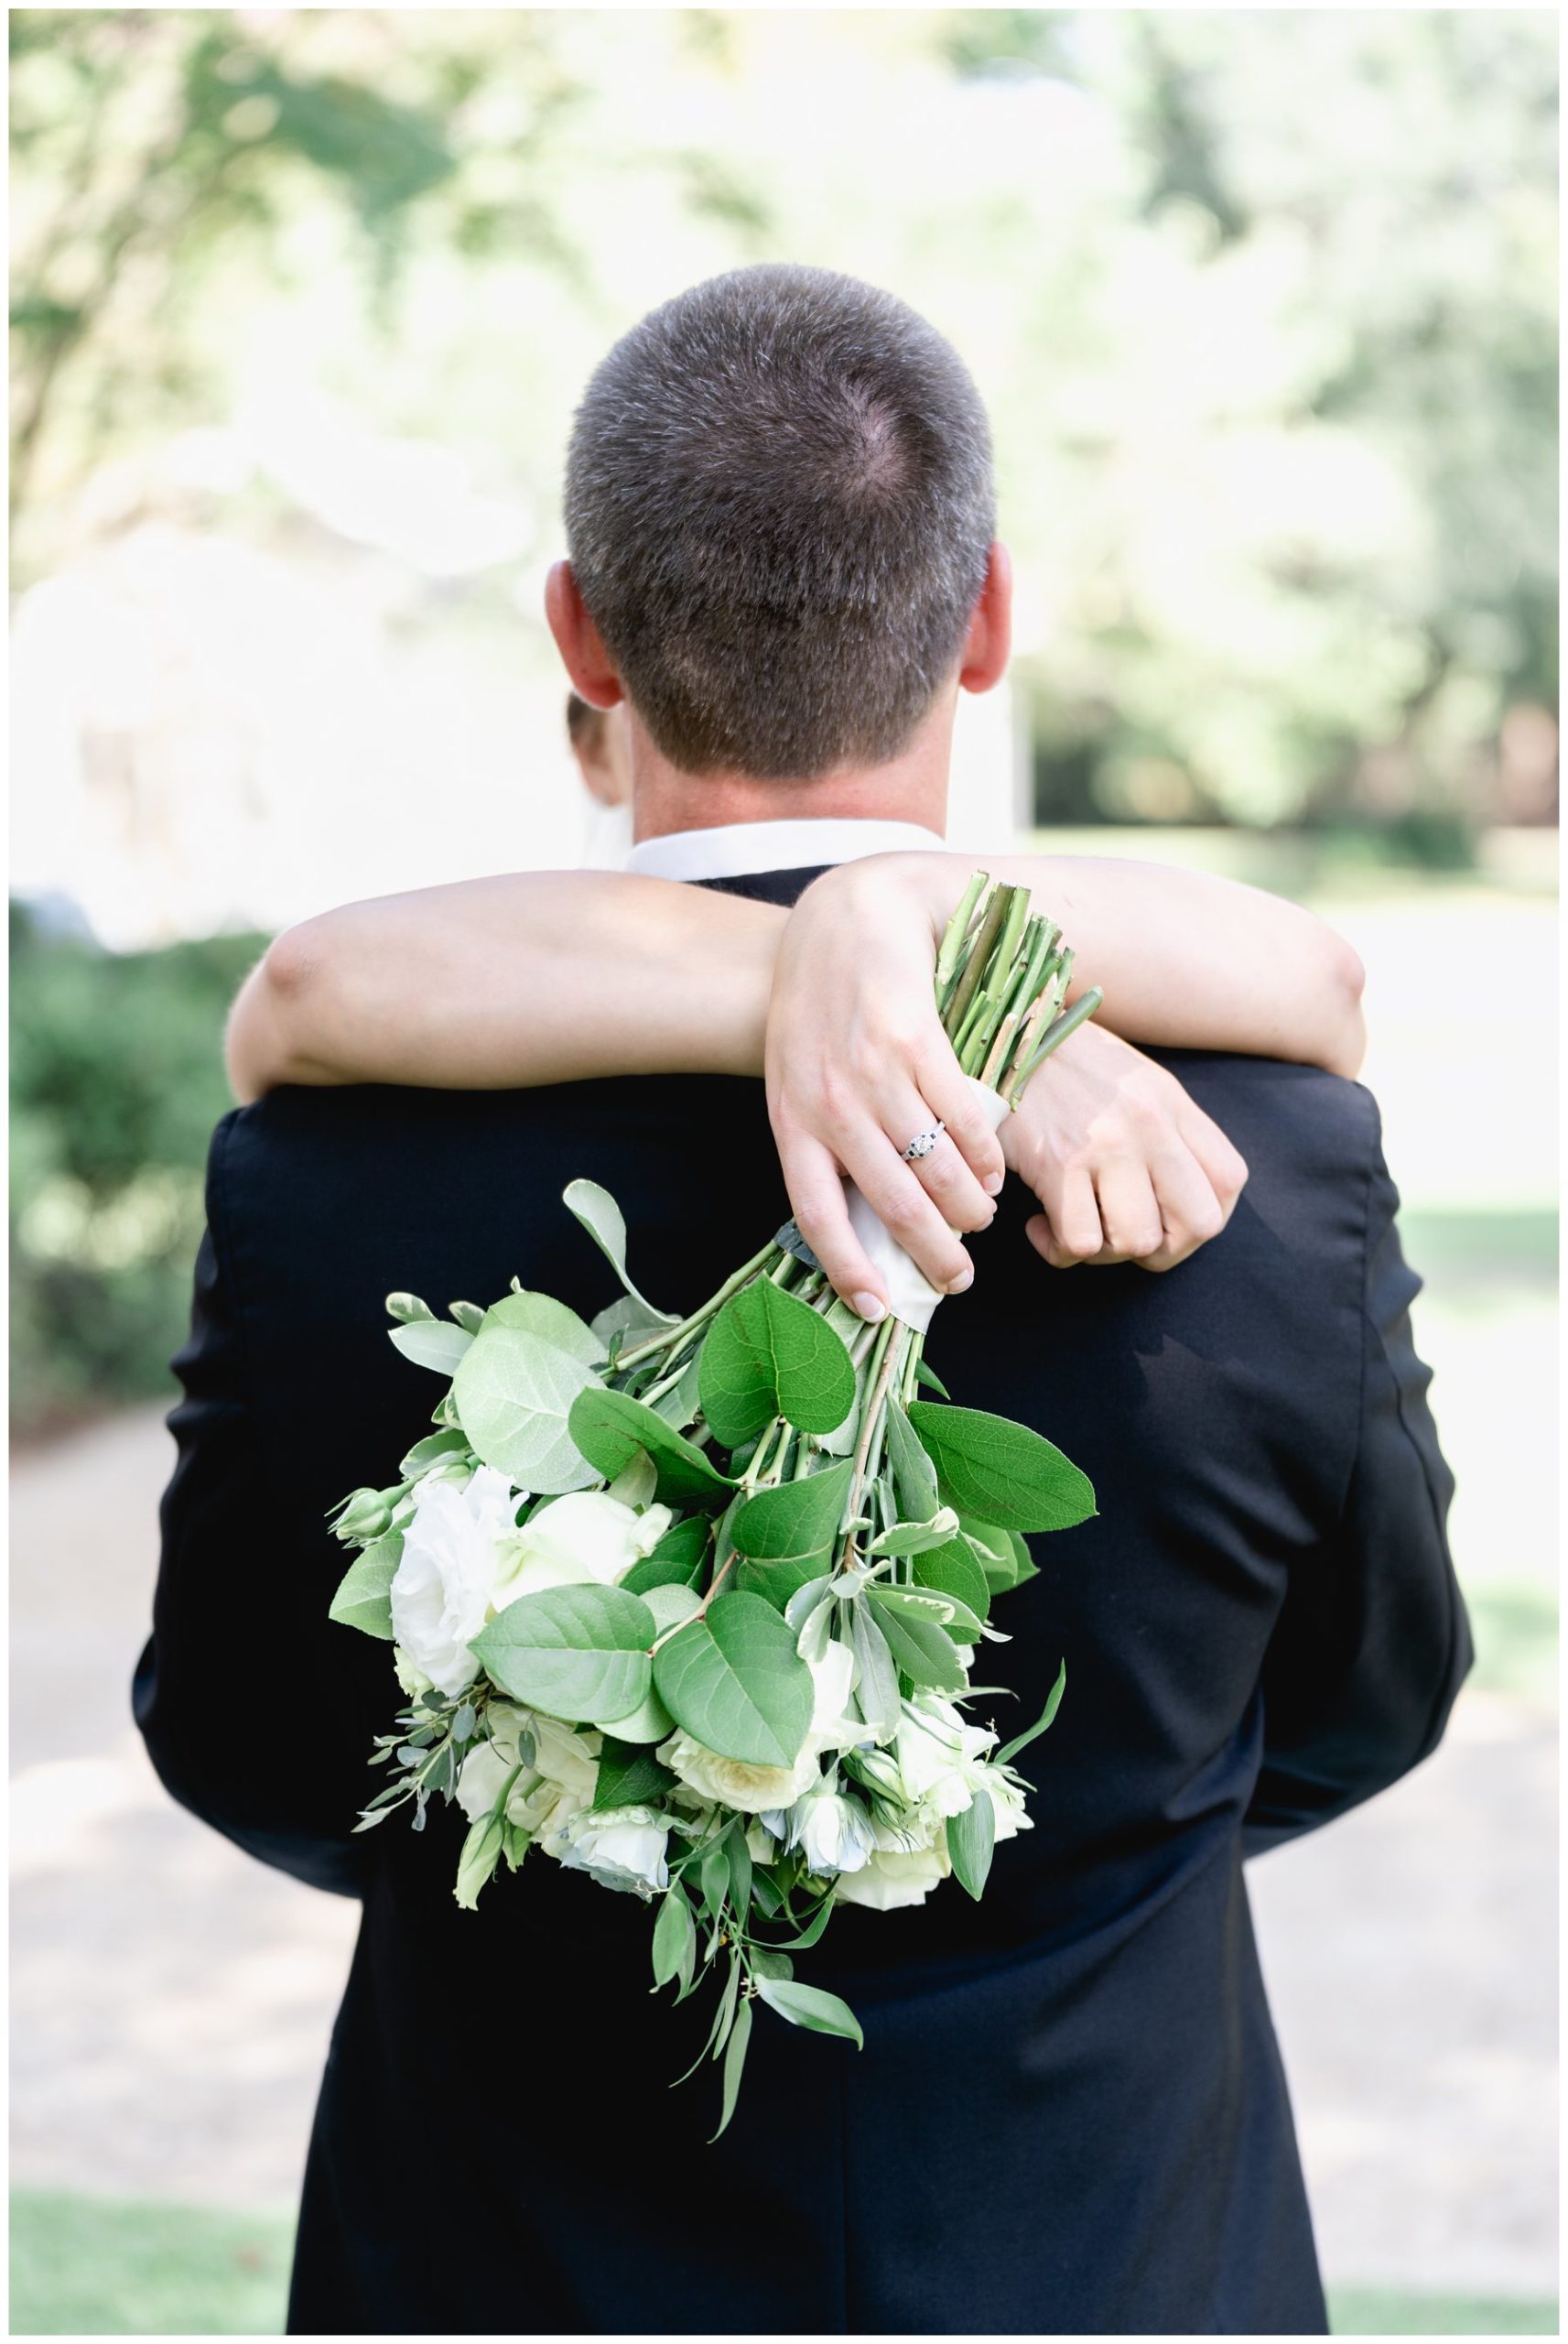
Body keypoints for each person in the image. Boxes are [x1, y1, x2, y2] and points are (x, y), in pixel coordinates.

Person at [136, 266, 1467, 2336]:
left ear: (577, 632)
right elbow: (1368, 1696)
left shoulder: (326, 1160)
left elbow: (244, 1735)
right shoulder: (1262, 1161)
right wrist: (1063, 1879)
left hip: (504, 2260)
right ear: (990, 618)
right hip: (1112, 2251)